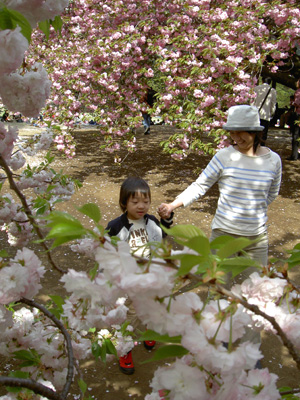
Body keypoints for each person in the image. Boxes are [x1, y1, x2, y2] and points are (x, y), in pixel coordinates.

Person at [159, 105, 282, 272]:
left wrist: (251, 210)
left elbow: (271, 194)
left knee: (257, 287)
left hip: (256, 239)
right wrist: (172, 205)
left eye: (240, 132)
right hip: (223, 235)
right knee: (217, 288)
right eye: (232, 132)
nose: (235, 137)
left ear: (254, 131)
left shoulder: (273, 160)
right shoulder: (224, 156)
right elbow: (200, 185)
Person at [105, 176, 174, 374]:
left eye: (146, 201)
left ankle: (147, 332)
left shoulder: (151, 221)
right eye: (135, 202)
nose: (141, 205)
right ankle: (124, 348)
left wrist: (166, 219)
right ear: (124, 203)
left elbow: (163, 234)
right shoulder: (115, 227)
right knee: (129, 315)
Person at [252, 77, 277, 145]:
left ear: (262, 81)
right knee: (263, 134)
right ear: (270, 82)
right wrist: (272, 112)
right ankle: (261, 148)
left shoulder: (256, 88)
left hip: (255, 114)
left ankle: (254, 147)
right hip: (266, 115)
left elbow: (252, 101)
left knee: (254, 132)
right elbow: (273, 103)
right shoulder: (272, 90)